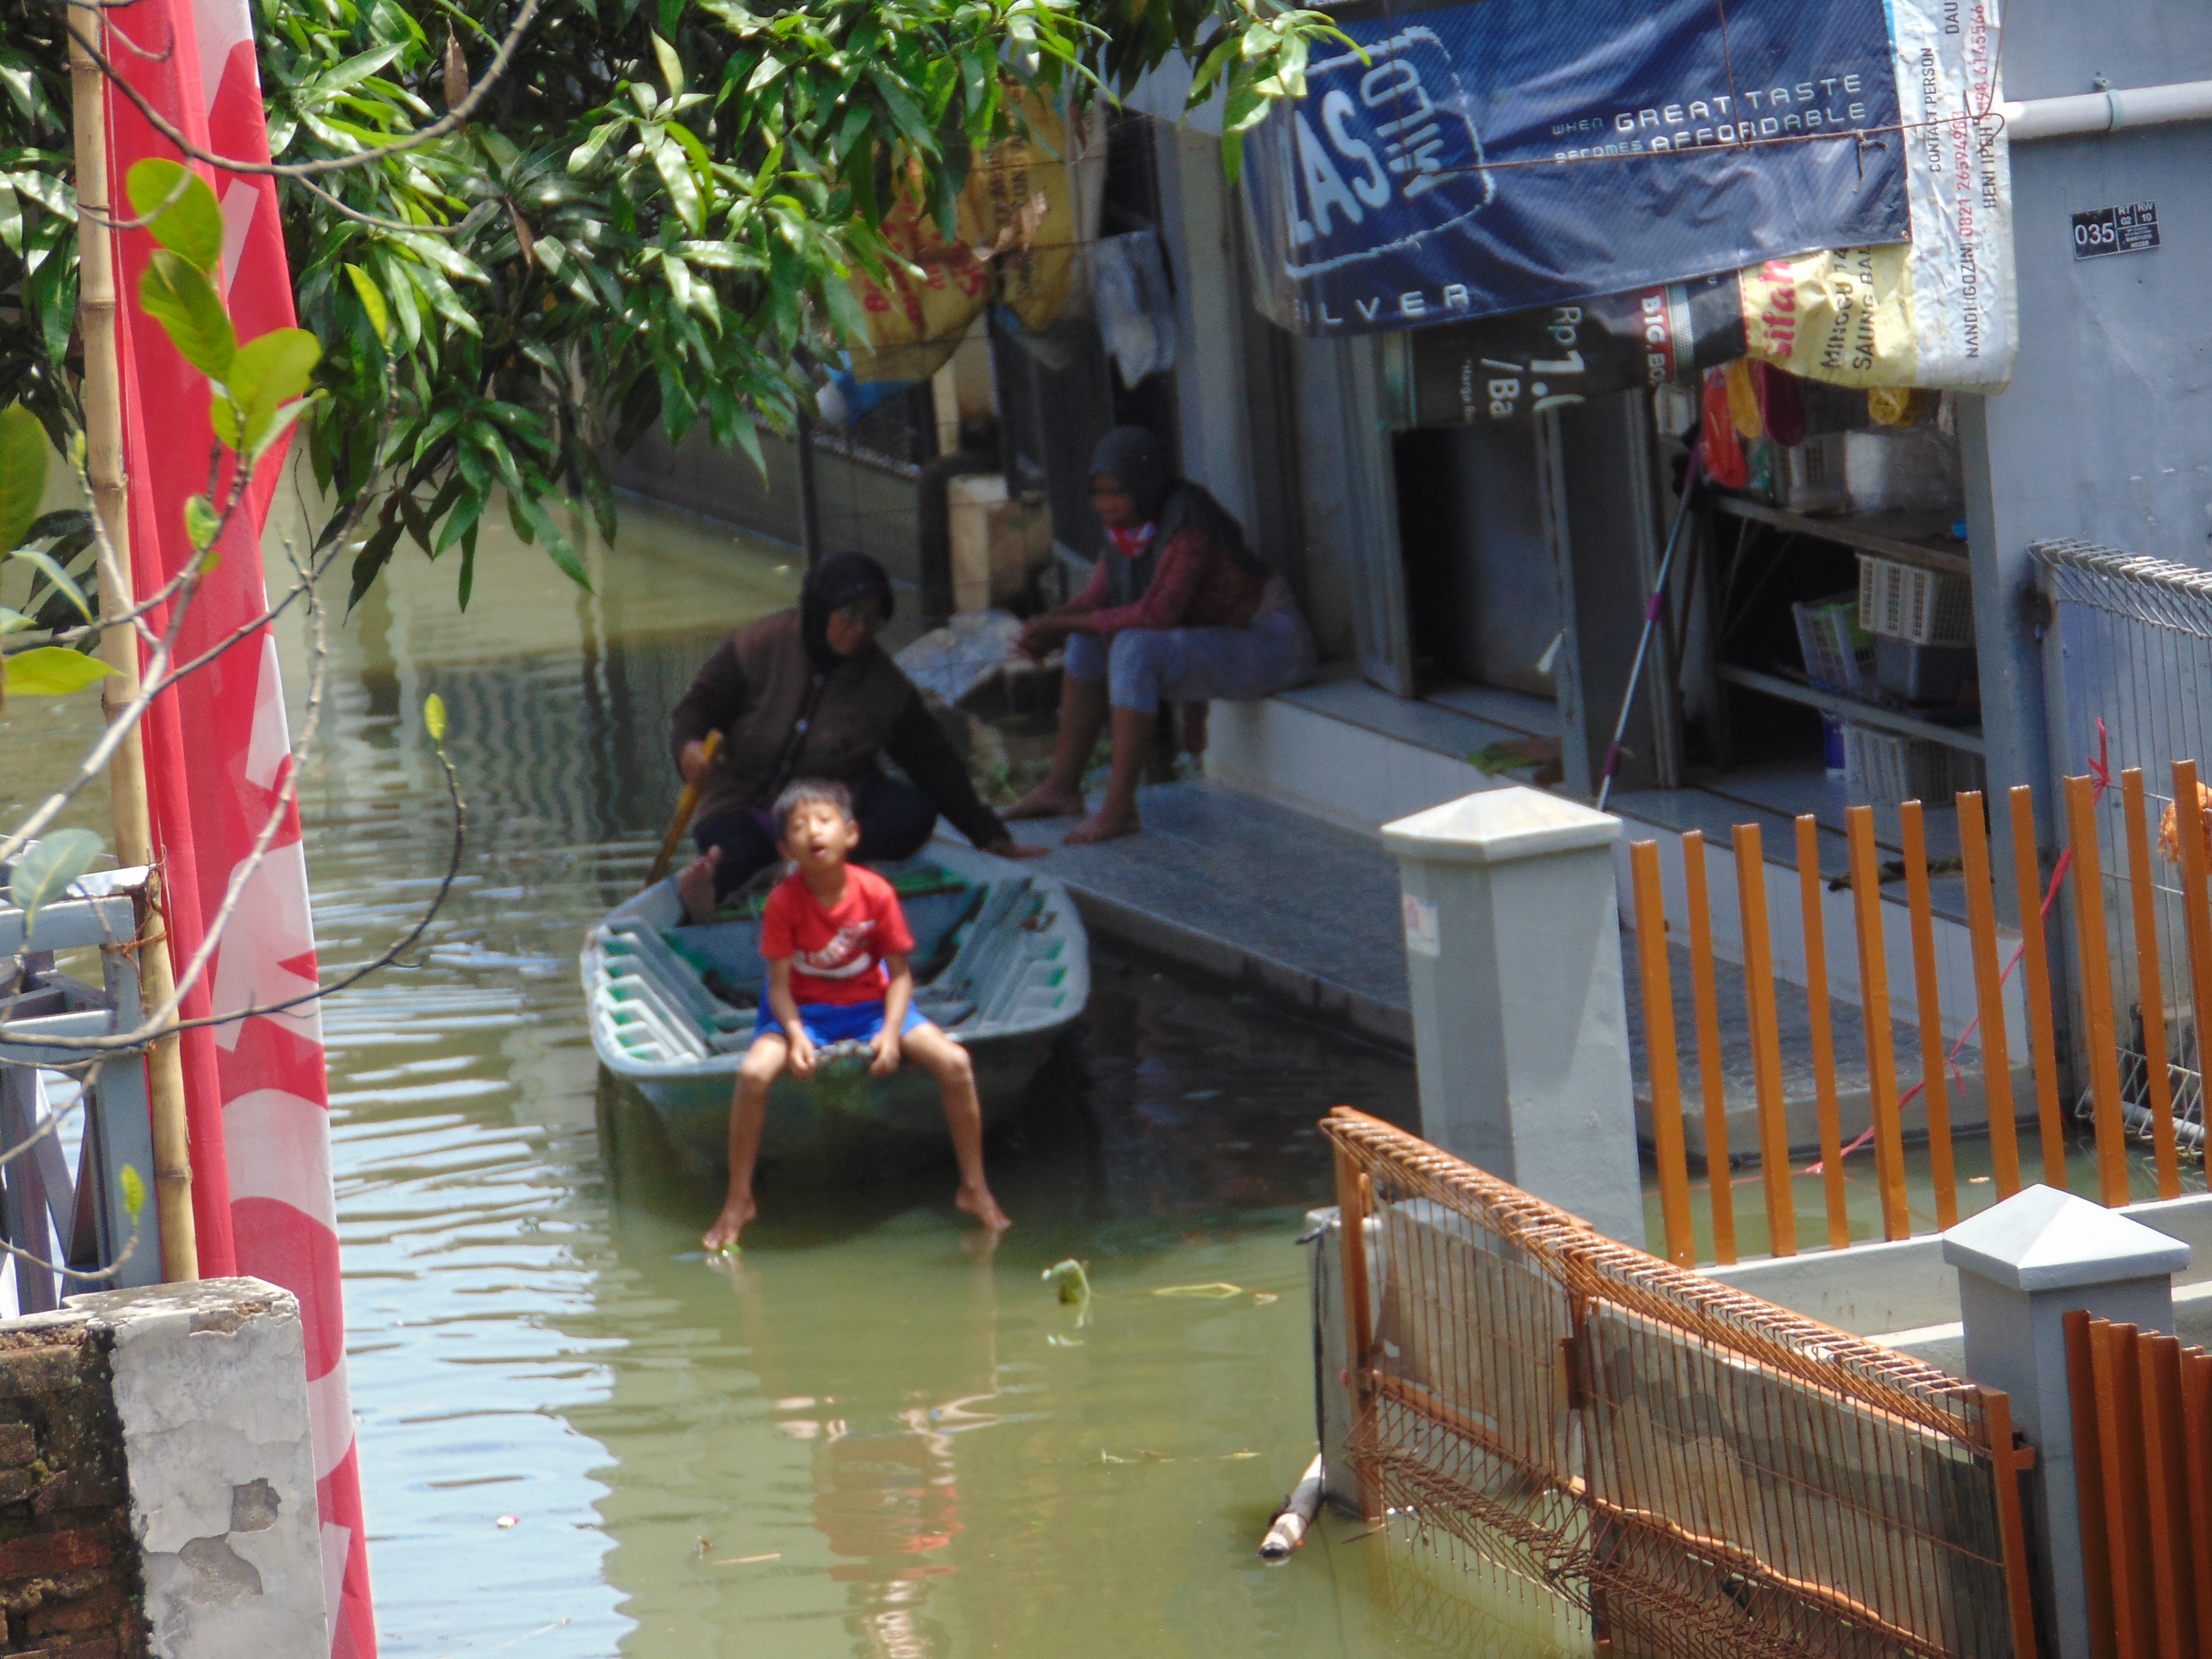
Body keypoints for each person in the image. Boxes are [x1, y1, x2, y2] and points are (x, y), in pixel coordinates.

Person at [702, 779, 1012, 1251]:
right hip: (802, 1013)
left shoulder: (877, 893)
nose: (814, 833)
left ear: (851, 834)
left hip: (873, 1008)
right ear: (786, 847)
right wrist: (797, 1037)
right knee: (751, 1075)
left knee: (956, 1064)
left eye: (824, 821)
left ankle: (974, 1187)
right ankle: (739, 1198)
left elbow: (902, 978)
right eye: (800, 827)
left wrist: (890, 1035)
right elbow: (780, 988)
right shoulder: (783, 902)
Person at [671, 551, 1042, 923]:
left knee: (913, 814)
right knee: (732, 856)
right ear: (821, 608)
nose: (861, 629)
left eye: (873, 619)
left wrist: (986, 834)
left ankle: (814, 868)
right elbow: (699, 708)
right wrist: (689, 748)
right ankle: (714, 895)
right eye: (850, 614)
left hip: (830, 814)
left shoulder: (885, 685)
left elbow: (932, 761)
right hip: (743, 804)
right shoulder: (760, 644)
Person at [1005, 427, 1316, 844]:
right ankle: (1061, 788)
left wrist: (1057, 626)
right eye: (1098, 493)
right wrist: (1048, 625)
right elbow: (1098, 596)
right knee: (1085, 640)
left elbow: (1157, 614)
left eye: (1118, 492)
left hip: (1274, 645)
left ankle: (1119, 810)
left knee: (1134, 646)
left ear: (1145, 485)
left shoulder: (1189, 522)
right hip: (1218, 641)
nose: (1107, 505)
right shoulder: (1128, 531)